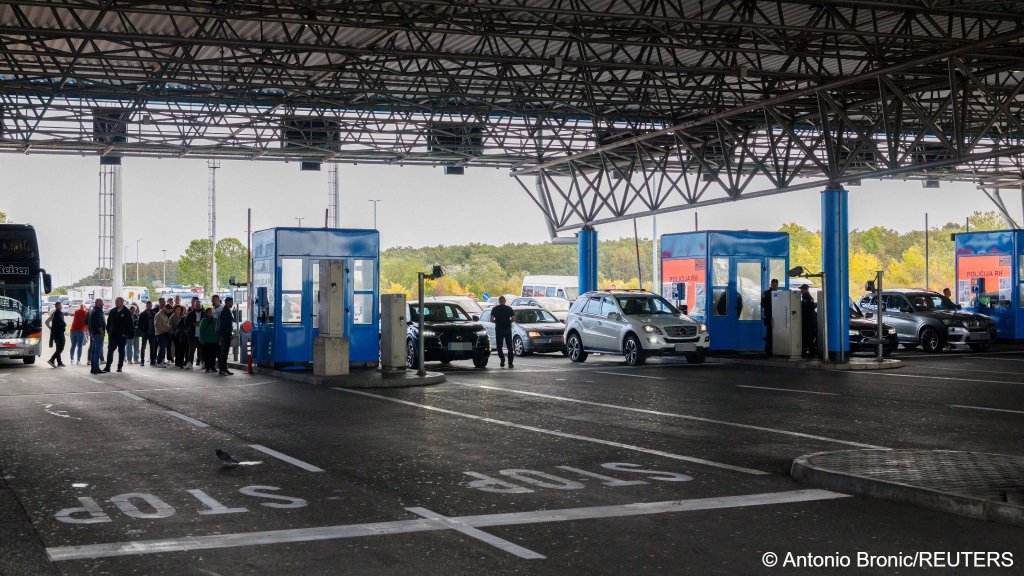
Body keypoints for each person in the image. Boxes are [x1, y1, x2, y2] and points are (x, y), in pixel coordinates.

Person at [103, 297, 134, 373]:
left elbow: (130, 324)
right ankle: (108, 366)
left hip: (122, 336)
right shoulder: (112, 311)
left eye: (117, 301)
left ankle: (120, 366)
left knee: (121, 351)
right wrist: (108, 330)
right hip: (113, 335)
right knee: (110, 351)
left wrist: (126, 334)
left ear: (122, 302)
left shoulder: (126, 312)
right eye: (116, 301)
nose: (116, 303)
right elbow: (109, 321)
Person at [490, 295, 515, 368]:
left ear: (499, 301)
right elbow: (513, 319)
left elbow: (491, 319)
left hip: (499, 329)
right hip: (507, 329)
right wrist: (508, 322)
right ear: (505, 301)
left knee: (499, 346)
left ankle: (502, 359)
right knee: (509, 346)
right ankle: (510, 363)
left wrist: (496, 322)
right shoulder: (509, 308)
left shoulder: (494, 309)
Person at [87, 298, 106, 374]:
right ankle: (96, 368)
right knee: (97, 352)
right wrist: (102, 333)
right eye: (102, 303)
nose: (103, 304)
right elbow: (99, 324)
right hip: (98, 334)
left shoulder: (92, 311)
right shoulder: (97, 312)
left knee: (94, 351)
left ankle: (93, 368)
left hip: (93, 333)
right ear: (98, 303)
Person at [45, 301, 67, 367]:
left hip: (54, 334)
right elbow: (62, 323)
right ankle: (51, 359)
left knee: (58, 347)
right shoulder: (59, 313)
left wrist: (51, 328)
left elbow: (46, 322)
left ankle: (59, 362)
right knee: (61, 347)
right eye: (60, 305)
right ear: (57, 306)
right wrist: (64, 325)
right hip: (59, 333)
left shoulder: (54, 313)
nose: (61, 306)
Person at [761, 278, 779, 357]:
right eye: (773, 284)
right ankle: (768, 350)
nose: (774, 286)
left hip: (778, 316)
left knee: (776, 334)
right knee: (769, 333)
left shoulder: (779, 294)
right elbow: (763, 304)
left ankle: (775, 349)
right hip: (769, 316)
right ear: (771, 284)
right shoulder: (766, 293)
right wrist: (771, 308)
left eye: (776, 285)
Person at [216, 297, 235, 375]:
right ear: (228, 302)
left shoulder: (227, 310)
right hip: (225, 335)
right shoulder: (225, 311)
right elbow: (224, 325)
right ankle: (222, 368)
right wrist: (229, 334)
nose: (232, 304)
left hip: (225, 334)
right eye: (231, 302)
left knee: (225, 352)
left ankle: (224, 368)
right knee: (224, 352)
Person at [799, 284, 818, 359]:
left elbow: (806, 310)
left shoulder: (807, 298)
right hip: (808, 321)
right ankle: (811, 353)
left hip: (807, 321)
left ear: (806, 289)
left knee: (805, 338)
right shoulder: (806, 298)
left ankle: (804, 353)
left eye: (802, 289)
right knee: (809, 338)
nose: (801, 291)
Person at [199, 307, 219, 373]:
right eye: (209, 312)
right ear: (206, 313)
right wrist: (201, 340)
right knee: (207, 355)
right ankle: (207, 367)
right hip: (206, 341)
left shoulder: (215, 320)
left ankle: (213, 367)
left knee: (213, 355)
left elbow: (218, 330)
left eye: (212, 312)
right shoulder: (204, 320)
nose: (211, 313)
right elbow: (201, 331)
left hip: (214, 340)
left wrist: (218, 339)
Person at [186, 298, 204, 369]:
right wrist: (193, 324)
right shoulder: (190, 314)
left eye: (199, 305)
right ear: (194, 306)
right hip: (192, 335)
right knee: (191, 351)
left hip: (201, 335)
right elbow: (186, 323)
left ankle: (203, 363)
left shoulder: (204, 313)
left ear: (201, 305)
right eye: (196, 305)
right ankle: (190, 363)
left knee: (202, 350)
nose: (197, 306)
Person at [137, 301, 155, 366]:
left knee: (152, 347)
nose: (149, 306)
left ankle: (152, 360)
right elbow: (139, 324)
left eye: (150, 305)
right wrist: (142, 331)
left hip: (152, 333)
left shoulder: (154, 314)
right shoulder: (142, 314)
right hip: (145, 333)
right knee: (143, 347)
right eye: (148, 305)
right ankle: (142, 361)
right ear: (146, 306)